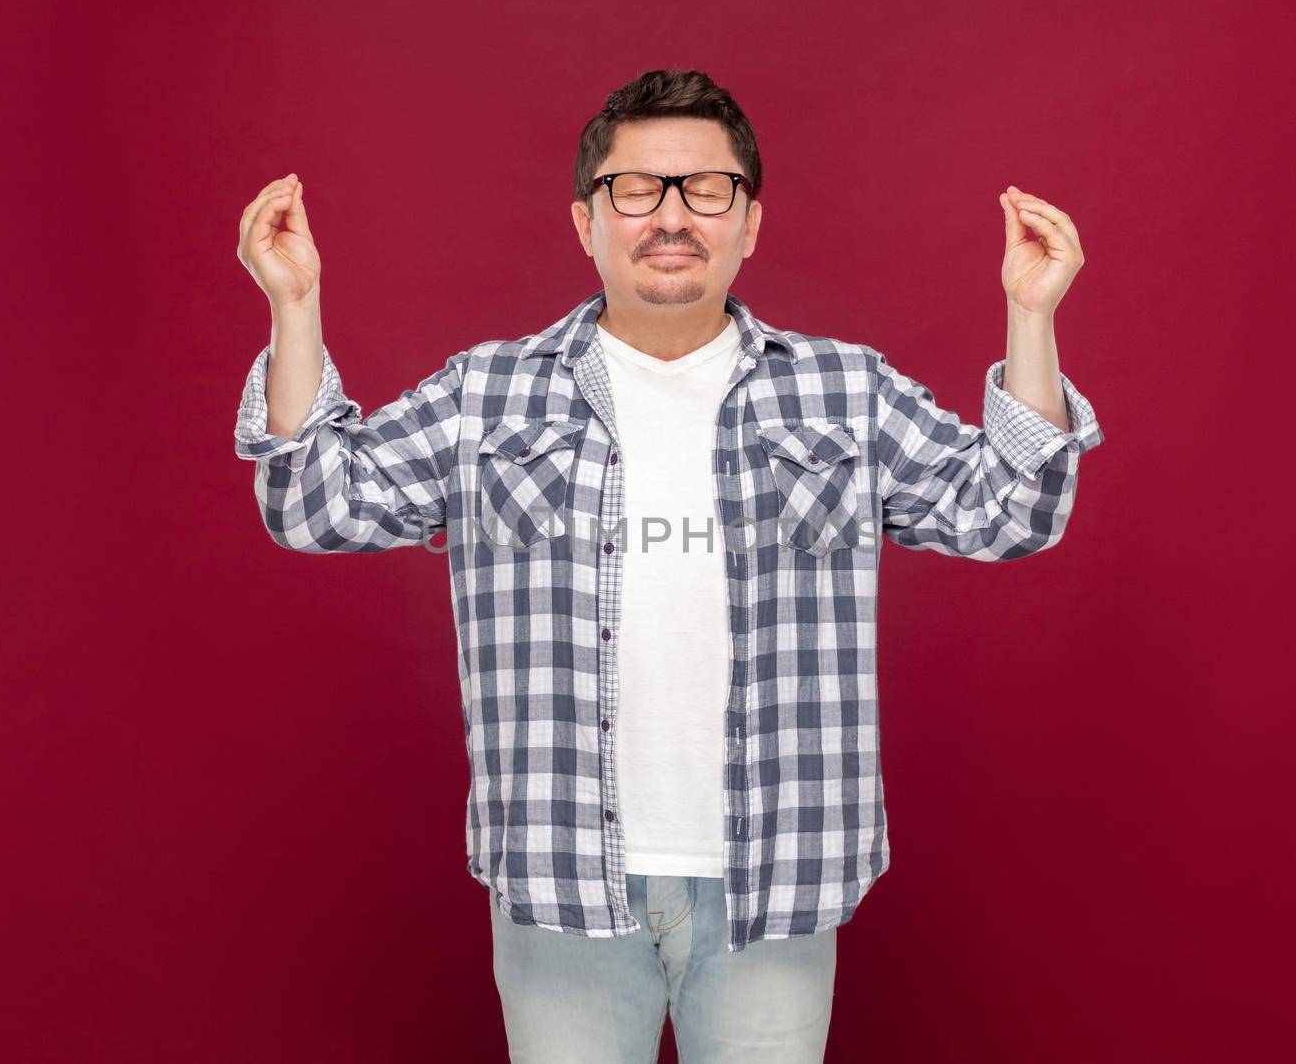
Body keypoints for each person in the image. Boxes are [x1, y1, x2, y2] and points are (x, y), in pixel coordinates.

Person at [232, 67, 1104, 1063]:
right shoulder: (488, 392)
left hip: (776, 879)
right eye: (636, 189)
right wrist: (294, 305)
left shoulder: (842, 390)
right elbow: (314, 505)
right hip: (562, 881)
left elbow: (1009, 511)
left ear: (750, 220)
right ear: (586, 221)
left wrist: (1030, 317)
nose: (671, 216)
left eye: (706, 188)